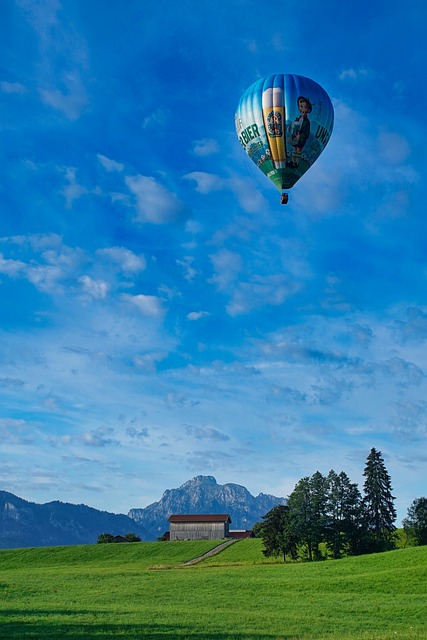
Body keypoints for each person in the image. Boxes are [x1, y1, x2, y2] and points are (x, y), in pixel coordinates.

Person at [287, 96, 312, 168]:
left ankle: (297, 163)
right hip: (295, 137)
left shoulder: (306, 122)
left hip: (301, 139)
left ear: (308, 110)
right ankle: (292, 161)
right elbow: (294, 127)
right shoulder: (298, 119)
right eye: (301, 107)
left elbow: (306, 132)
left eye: (305, 107)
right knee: (295, 149)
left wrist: (300, 137)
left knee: (298, 149)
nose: (303, 109)